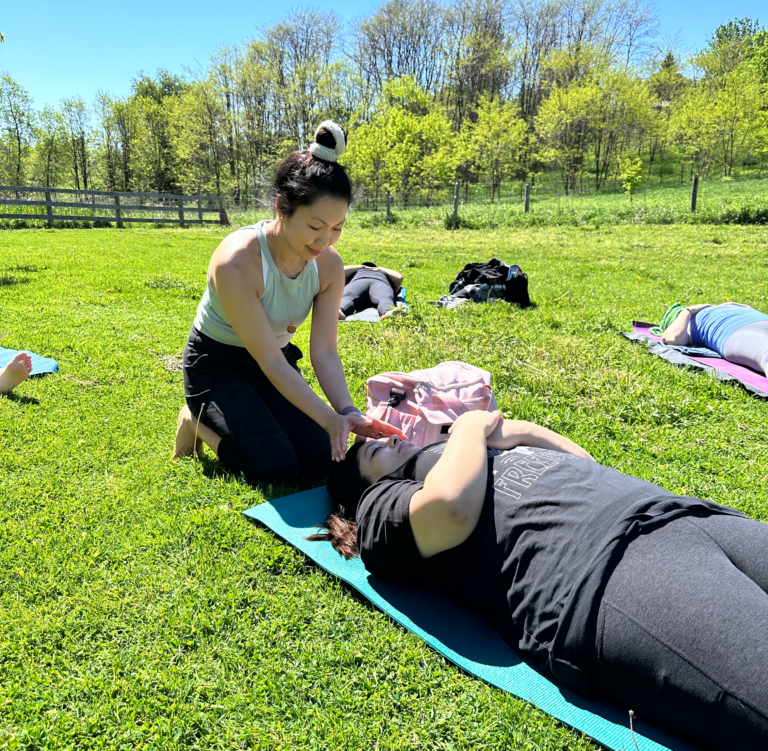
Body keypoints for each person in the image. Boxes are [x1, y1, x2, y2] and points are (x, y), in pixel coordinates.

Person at [311, 411, 768, 751]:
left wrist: (518, 432)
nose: (391, 440)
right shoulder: (380, 504)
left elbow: (583, 461)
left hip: (677, 514)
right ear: (361, 489)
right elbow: (451, 510)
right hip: (606, 572)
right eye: (376, 451)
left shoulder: (461, 454)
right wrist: (469, 428)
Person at [172, 121, 403, 483]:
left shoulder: (329, 266)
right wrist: (326, 418)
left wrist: (346, 412)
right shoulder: (237, 261)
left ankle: (234, 418)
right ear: (282, 207)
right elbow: (268, 361)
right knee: (274, 467)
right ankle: (195, 420)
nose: (326, 240)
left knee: (320, 459)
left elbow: (324, 351)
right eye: (315, 226)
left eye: (337, 227)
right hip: (217, 365)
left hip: (274, 362)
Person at [654, 301, 768, 376]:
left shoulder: (696, 316)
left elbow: (673, 338)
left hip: (746, 328)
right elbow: (672, 338)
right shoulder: (687, 322)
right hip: (738, 331)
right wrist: (686, 311)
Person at [339, 262, 403, 320]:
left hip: (359, 281)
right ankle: (388, 312)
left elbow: (341, 270)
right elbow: (399, 278)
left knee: (348, 296)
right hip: (380, 282)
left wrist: (362, 267)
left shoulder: (358, 271)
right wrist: (380, 269)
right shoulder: (382, 273)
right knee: (385, 298)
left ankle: (338, 311)